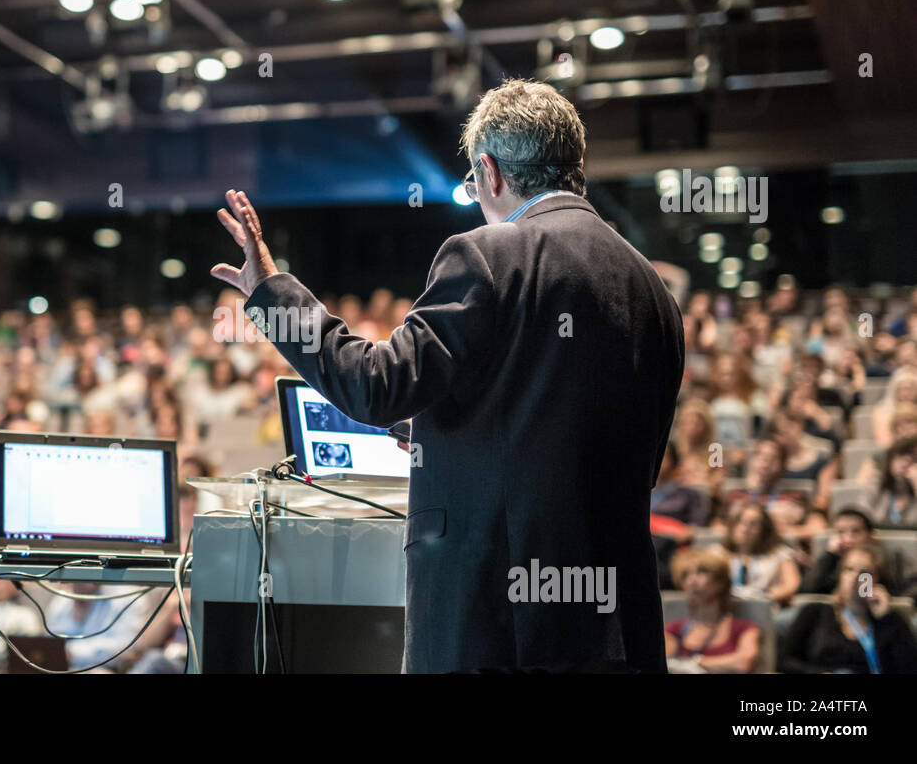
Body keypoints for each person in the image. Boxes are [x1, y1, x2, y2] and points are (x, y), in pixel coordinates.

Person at [209, 79, 684, 673]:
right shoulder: (653, 289)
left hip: (497, 619)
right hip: (614, 627)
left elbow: (375, 386)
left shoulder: (490, 252)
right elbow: (598, 446)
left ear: (490, 172)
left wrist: (270, 294)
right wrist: (450, 433)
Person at [779, 544, 917, 674]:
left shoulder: (891, 620)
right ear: (840, 575)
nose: (855, 577)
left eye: (864, 572)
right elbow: (785, 662)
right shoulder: (814, 613)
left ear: (876, 580)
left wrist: (886, 619)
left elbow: (909, 669)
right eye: (849, 569)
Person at [663, 548, 761, 674]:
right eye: (685, 575)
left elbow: (743, 663)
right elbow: (665, 663)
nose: (692, 581)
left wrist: (695, 662)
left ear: (720, 582)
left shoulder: (743, 627)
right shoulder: (674, 629)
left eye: (701, 572)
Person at [800, 509, 914, 597]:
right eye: (841, 532)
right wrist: (830, 554)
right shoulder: (831, 561)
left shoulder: (889, 561)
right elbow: (806, 591)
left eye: (855, 532)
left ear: (870, 536)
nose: (848, 539)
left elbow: (864, 594)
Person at [722, 503, 800, 606]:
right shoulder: (720, 554)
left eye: (753, 524)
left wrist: (767, 597)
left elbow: (791, 585)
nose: (745, 528)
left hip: (764, 607)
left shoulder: (779, 554)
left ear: (764, 529)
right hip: (728, 607)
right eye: (741, 522)